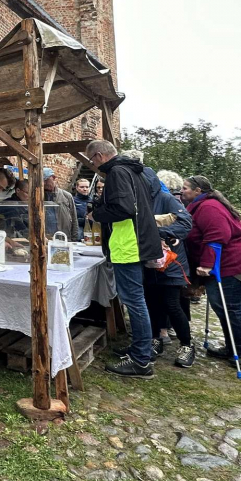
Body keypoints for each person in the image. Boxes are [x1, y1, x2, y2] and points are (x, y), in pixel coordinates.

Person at [86, 140, 161, 378]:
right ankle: (141, 349)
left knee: (134, 301)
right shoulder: (133, 170)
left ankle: (140, 361)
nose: (93, 165)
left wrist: (96, 213)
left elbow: (124, 208)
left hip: (128, 244)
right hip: (136, 241)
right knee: (136, 299)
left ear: (99, 155)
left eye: (92, 160)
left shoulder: (117, 172)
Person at [182, 175, 241, 367]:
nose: (181, 191)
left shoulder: (209, 207)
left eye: (185, 187)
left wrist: (207, 264)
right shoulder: (201, 206)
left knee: (231, 307)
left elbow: (217, 235)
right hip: (232, 263)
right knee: (224, 306)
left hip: (238, 263)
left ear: (198, 191)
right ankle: (234, 347)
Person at [144, 170, 196, 367]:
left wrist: (161, 233)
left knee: (171, 304)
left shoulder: (166, 199)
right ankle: (155, 339)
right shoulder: (141, 199)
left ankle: (187, 345)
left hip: (171, 262)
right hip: (149, 261)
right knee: (152, 302)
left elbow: (185, 223)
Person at [43, 168, 78, 243]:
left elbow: (74, 218)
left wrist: (74, 239)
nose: (44, 183)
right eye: (42, 181)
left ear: (53, 178)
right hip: (46, 239)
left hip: (64, 238)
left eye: (46, 180)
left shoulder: (66, 196)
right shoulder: (39, 197)